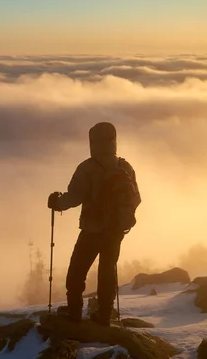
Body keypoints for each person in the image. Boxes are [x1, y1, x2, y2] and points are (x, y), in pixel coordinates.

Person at [47, 122, 141, 326]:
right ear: (113, 140)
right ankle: (104, 315)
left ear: (93, 142)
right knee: (107, 269)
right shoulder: (125, 166)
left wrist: (56, 203)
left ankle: (74, 312)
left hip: (93, 228)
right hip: (116, 230)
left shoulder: (88, 167)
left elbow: (74, 197)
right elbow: (136, 198)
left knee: (77, 270)